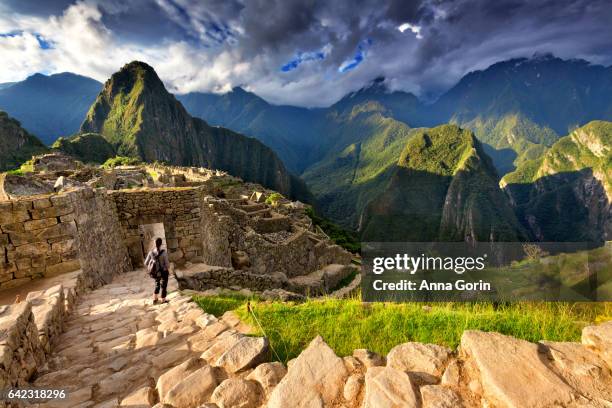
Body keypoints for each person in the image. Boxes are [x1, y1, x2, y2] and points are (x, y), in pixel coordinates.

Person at [145, 238, 170, 304]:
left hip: (155, 273)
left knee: (157, 284)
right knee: (164, 286)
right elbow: (167, 265)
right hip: (163, 272)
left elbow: (146, 263)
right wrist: (165, 268)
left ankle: (155, 299)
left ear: (154, 244)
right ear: (161, 244)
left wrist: (152, 266)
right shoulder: (164, 252)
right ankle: (163, 300)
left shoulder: (151, 252)